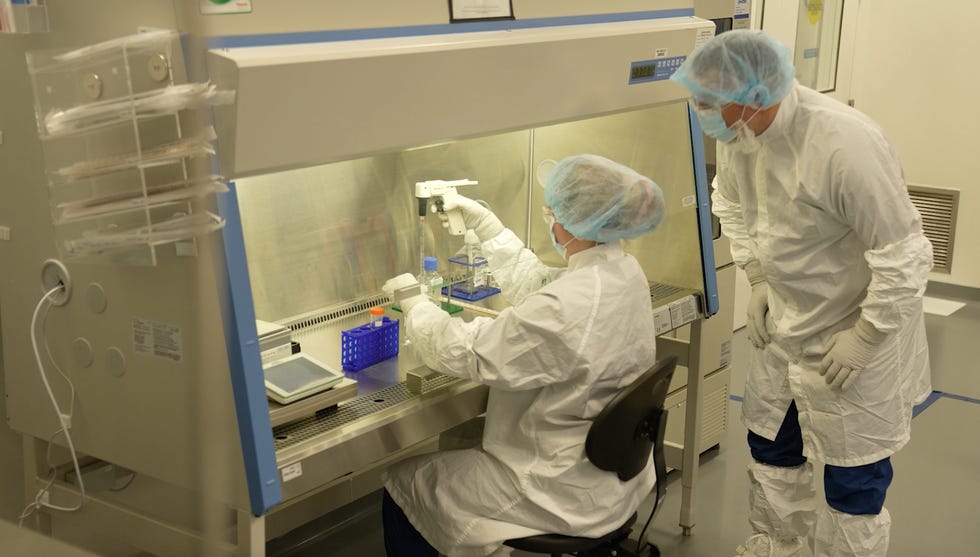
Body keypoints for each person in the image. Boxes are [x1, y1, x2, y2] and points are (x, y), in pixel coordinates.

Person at [670, 30, 933, 557]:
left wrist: (864, 337)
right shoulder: (739, 133)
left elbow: (904, 256)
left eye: (709, 103)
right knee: (770, 444)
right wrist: (759, 278)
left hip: (853, 337)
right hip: (787, 328)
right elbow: (731, 205)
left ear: (755, 97)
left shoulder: (843, 143)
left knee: (853, 475)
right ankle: (779, 546)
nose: (703, 114)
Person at [380, 154, 666, 557]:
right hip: (613, 479)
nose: (550, 217)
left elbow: (465, 352)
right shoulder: (623, 272)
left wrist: (414, 304)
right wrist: (487, 227)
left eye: (553, 210)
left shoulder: (569, 305)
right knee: (460, 446)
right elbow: (542, 290)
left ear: (572, 221)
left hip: (556, 489)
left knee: (404, 484)